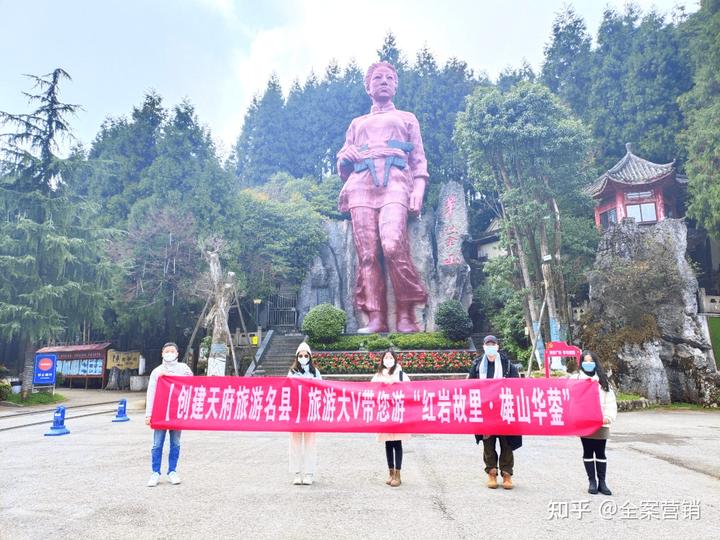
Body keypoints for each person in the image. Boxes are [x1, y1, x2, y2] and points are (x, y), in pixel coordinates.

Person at [336, 61, 429, 334]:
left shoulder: (407, 118)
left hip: (396, 182)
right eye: (378, 78)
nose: (384, 81)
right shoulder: (357, 123)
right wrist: (345, 158)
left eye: (390, 77)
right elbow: (343, 166)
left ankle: (405, 313)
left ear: (396, 85)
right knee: (367, 254)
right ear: (368, 86)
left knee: (391, 245)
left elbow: (419, 161)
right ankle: (376, 317)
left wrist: (419, 190)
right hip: (361, 185)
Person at [468, 335, 522, 489]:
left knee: (507, 443)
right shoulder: (477, 365)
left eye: (493, 344)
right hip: (485, 411)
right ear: (484, 347)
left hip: (504, 409)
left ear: (498, 346)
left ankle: (506, 474)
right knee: (488, 443)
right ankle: (491, 473)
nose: (490, 346)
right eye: (488, 344)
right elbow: (469, 385)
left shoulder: (507, 364)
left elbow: (516, 386)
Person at [145, 342, 193, 487]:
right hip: (160, 413)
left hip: (176, 413)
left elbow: (191, 384)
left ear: (177, 354)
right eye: (167, 351)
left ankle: (172, 471)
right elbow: (151, 393)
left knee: (175, 443)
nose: (170, 353)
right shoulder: (156, 372)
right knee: (157, 444)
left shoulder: (184, 369)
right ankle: (155, 473)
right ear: (162, 353)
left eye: (172, 351)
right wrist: (149, 414)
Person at [571, 350, 617, 495]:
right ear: (581, 363)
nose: (588, 364)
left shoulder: (603, 380)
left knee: (601, 452)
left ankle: (602, 482)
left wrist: (608, 417)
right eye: (585, 360)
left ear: (595, 363)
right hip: (585, 422)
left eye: (591, 361)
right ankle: (592, 481)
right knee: (588, 450)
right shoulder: (576, 379)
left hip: (601, 421)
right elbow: (568, 397)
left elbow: (610, 401)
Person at [371, 348, 410, 487]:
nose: (388, 360)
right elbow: (372, 391)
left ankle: (398, 474)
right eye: (386, 358)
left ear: (394, 359)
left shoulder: (401, 374)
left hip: (397, 412)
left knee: (397, 443)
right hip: (384, 413)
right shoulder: (378, 375)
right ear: (382, 360)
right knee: (388, 443)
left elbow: (409, 391)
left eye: (390, 357)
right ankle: (390, 472)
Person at [287, 342, 322, 485]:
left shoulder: (315, 373)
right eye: (300, 355)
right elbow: (287, 390)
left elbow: (321, 390)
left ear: (310, 357)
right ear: (297, 357)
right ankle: (296, 473)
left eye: (305, 355)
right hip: (296, 412)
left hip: (310, 412)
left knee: (310, 444)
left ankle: (309, 473)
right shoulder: (292, 372)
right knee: (294, 443)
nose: (303, 357)